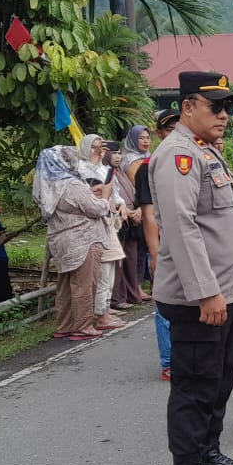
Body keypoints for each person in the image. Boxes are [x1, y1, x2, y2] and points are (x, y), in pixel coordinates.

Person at [150, 70, 233, 465]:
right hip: (200, 299)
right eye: (216, 107)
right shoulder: (177, 156)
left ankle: (208, 454)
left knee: (220, 378)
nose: (225, 116)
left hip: (226, 293)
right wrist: (206, 292)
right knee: (195, 385)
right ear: (187, 106)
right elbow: (181, 227)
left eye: (229, 108)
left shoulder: (205, 151)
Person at [33, 145, 111, 341]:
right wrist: (106, 198)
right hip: (84, 239)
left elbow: (70, 204)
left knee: (66, 285)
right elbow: (94, 208)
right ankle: (83, 326)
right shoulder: (72, 184)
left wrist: (89, 192)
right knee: (84, 284)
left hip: (60, 241)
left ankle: (65, 325)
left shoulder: (47, 184)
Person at [76, 134, 127, 330]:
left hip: (108, 221)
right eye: (96, 146)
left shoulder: (105, 169)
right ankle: (100, 314)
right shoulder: (80, 170)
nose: (100, 149)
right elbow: (89, 196)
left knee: (111, 266)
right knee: (103, 270)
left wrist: (120, 204)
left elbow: (113, 193)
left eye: (102, 146)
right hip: (93, 224)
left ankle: (105, 309)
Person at [132, 154, 171, 380]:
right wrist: (155, 254)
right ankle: (169, 362)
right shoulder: (149, 167)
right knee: (166, 305)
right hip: (165, 246)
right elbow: (149, 214)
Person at [111, 126, 147, 308]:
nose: (117, 157)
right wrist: (128, 209)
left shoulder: (120, 172)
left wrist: (139, 207)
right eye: (113, 153)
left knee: (132, 258)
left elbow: (134, 191)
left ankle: (133, 294)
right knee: (119, 261)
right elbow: (113, 195)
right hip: (120, 220)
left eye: (119, 153)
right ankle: (118, 298)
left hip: (135, 214)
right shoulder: (108, 173)